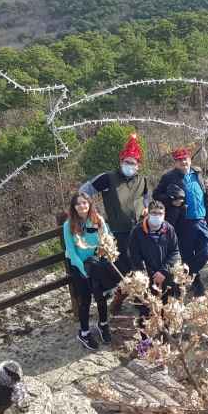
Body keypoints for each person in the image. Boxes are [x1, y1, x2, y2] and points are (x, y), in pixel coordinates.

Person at [79, 133, 148, 314]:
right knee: (124, 267)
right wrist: (90, 212)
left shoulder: (142, 180)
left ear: (138, 165)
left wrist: (147, 209)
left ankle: (134, 300)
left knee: (139, 266)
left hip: (139, 230)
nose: (130, 165)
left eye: (133, 163)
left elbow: (146, 198)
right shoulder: (108, 178)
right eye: (127, 162)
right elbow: (84, 191)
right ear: (121, 161)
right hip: (118, 232)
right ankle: (120, 297)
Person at [154, 148, 208, 297]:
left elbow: (202, 188)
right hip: (183, 221)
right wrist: (171, 201)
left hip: (201, 219)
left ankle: (187, 275)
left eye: (185, 158)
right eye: (180, 160)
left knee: (206, 253)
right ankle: (196, 281)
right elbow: (156, 195)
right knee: (187, 254)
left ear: (190, 159)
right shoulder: (168, 177)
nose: (183, 162)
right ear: (175, 162)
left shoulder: (197, 173)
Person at [63, 193, 112, 350]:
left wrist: (105, 257)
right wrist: (83, 270)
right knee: (85, 300)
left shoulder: (97, 220)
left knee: (101, 296)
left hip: (97, 264)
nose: (82, 206)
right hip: (79, 266)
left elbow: (107, 238)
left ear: (89, 204)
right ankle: (84, 332)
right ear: (74, 207)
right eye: (78, 204)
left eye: (84, 203)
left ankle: (103, 324)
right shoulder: (68, 225)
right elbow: (71, 250)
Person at [127, 201, 181, 316]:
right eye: (154, 213)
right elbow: (134, 256)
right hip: (145, 278)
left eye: (160, 213)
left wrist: (163, 271)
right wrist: (149, 275)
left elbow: (174, 252)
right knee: (146, 313)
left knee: (167, 310)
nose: (157, 216)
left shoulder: (169, 229)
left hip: (165, 276)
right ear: (148, 214)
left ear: (164, 215)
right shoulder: (137, 231)